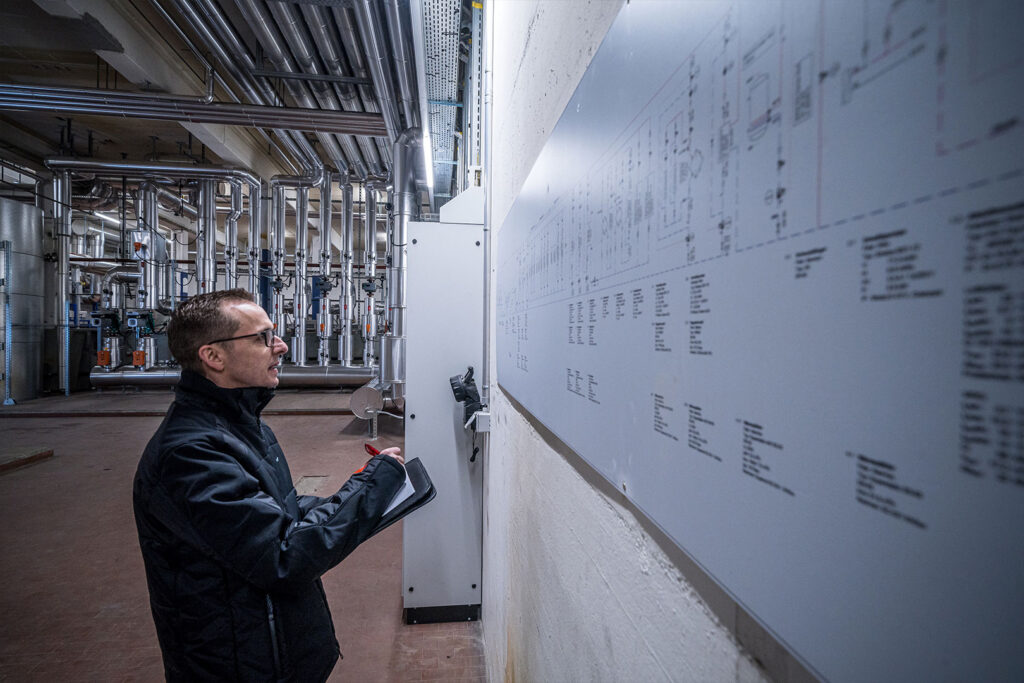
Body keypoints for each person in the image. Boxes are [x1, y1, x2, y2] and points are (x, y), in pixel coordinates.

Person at [133, 289, 405, 682]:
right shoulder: (190, 454)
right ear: (213, 356)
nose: (280, 346)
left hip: (276, 654)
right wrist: (371, 484)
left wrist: (352, 497)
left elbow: (280, 512)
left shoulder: (244, 427)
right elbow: (283, 556)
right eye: (262, 338)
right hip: (240, 667)